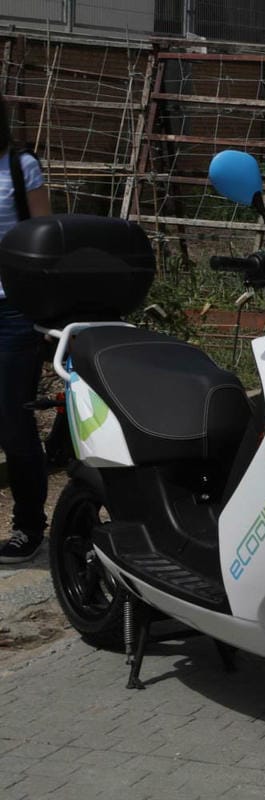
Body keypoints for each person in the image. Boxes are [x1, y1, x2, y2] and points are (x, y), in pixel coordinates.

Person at [0, 99, 51, 563]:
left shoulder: (20, 166)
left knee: (13, 421)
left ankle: (29, 526)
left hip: (12, 312)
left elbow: (44, 237)